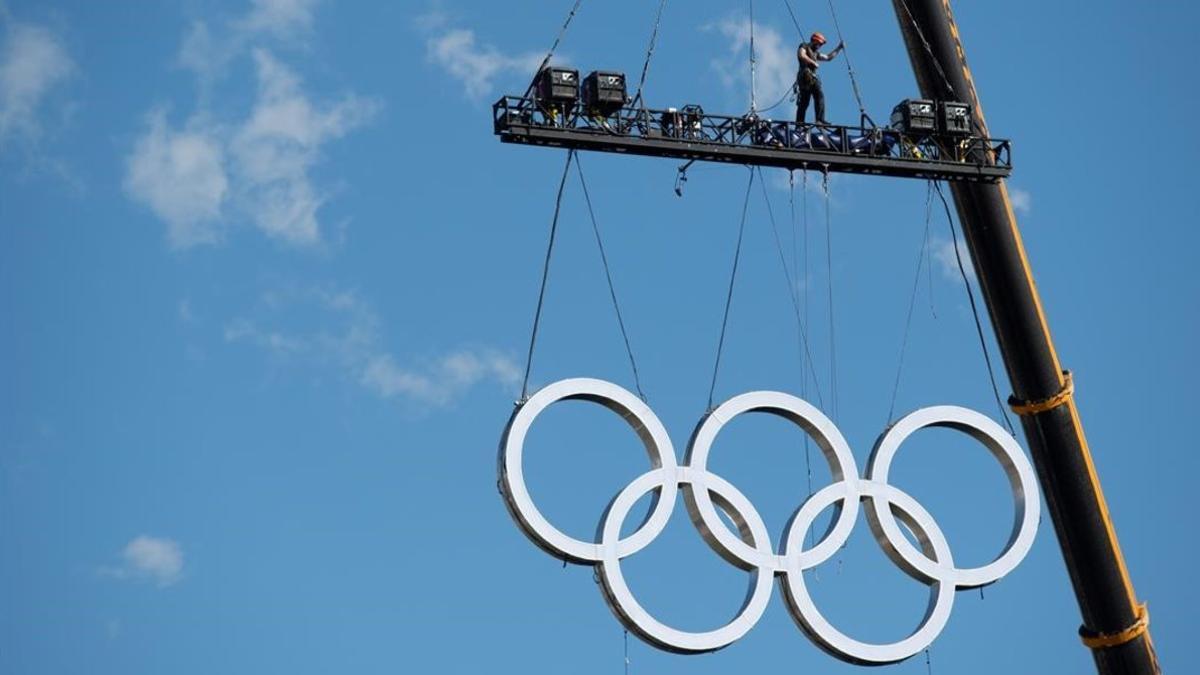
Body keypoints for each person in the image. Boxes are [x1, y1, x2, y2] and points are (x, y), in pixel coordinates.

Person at [796, 32, 844, 126]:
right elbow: (801, 55)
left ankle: (820, 119)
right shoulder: (804, 46)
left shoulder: (816, 53)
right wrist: (812, 62)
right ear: (814, 41)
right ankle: (800, 124)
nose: (820, 46)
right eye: (819, 44)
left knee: (819, 95)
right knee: (804, 102)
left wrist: (839, 48)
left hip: (812, 78)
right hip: (805, 77)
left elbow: (828, 57)